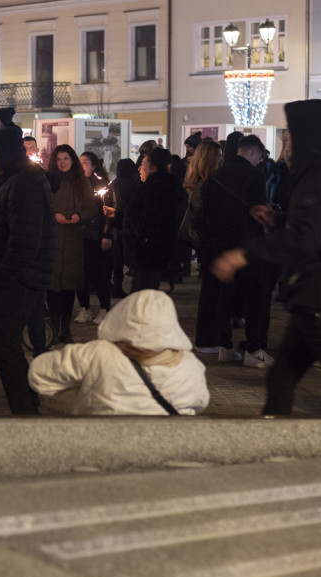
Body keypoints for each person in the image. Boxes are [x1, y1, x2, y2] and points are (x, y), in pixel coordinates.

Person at [212, 99, 321, 416]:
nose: (285, 139)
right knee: (281, 379)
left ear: (308, 135)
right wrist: (279, 221)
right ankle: (274, 447)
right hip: (320, 295)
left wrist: (243, 254)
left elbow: (306, 239)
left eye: (290, 133)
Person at [28, 290, 209, 415]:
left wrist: (82, 392)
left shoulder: (98, 354)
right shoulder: (190, 365)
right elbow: (200, 403)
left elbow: (38, 374)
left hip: (104, 448)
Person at [0, 125, 55, 415]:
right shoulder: (18, 179)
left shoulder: (24, 182)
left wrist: (2, 276)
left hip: (18, 282)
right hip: (20, 279)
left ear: (8, 153)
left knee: (4, 349)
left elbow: (24, 240)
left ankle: (25, 411)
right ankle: (27, 406)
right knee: (6, 349)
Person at [201, 134, 272, 366]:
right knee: (254, 296)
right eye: (259, 157)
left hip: (220, 245)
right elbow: (259, 214)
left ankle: (225, 346)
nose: (259, 161)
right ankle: (253, 349)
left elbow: (206, 214)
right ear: (253, 152)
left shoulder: (216, 176)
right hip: (248, 246)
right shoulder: (255, 176)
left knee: (225, 295)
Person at [46, 144, 94, 343]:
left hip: (73, 239)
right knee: (52, 287)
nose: (62, 162)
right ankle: (55, 327)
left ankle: (65, 328)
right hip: (52, 239)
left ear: (72, 160)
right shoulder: (48, 180)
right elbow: (42, 203)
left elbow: (91, 205)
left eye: (65, 158)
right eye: (58, 159)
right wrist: (53, 215)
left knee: (67, 288)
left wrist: (79, 215)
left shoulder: (80, 181)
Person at [180, 141, 223, 353]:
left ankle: (207, 339)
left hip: (205, 242)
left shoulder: (201, 183)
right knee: (210, 291)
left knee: (210, 289)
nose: (222, 160)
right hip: (209, 243)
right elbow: (199, 217)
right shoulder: (205, 186)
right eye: (219, 156)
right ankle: (206, 340)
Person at [125, 147, 181, 292]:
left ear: (154, 168)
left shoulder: (156, 188)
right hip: (147, 250)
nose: (139, 169)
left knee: (144, 293)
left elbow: (151, 217)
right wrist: (119, 215)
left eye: (143, 164)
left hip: (149, 252)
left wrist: (142, 236)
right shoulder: (152, 186)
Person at [74, 151, 114, 326]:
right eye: (80, 162)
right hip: (79, 234)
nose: (82, 165)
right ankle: (84, 308)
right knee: (80, 273)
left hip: (96, 234)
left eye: (85, 162)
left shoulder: (101, 185)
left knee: (99, 274)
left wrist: (106, 234)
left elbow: (108, 211)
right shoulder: (76, 184)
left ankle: (105, 309)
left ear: (94, 165)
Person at [109, 158, 138, 299]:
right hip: (129, 222)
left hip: (116, 222)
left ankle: (117, 285)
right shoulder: (135, 183)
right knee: (130, 254)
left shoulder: (115, 183)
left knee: (117, 257)